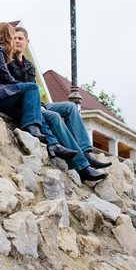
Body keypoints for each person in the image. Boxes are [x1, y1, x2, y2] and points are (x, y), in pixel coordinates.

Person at [8, 26, 112, 177]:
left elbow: (34, 90)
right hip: (25, 107)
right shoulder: (7, 61)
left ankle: (86, 152)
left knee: (70, 107)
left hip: (39, 104)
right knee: (54, 116)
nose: (17, 41)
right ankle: (82, 167)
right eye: (14, 38)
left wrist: (41, 106)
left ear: (27, 42)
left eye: (20, 38)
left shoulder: (29, 65)